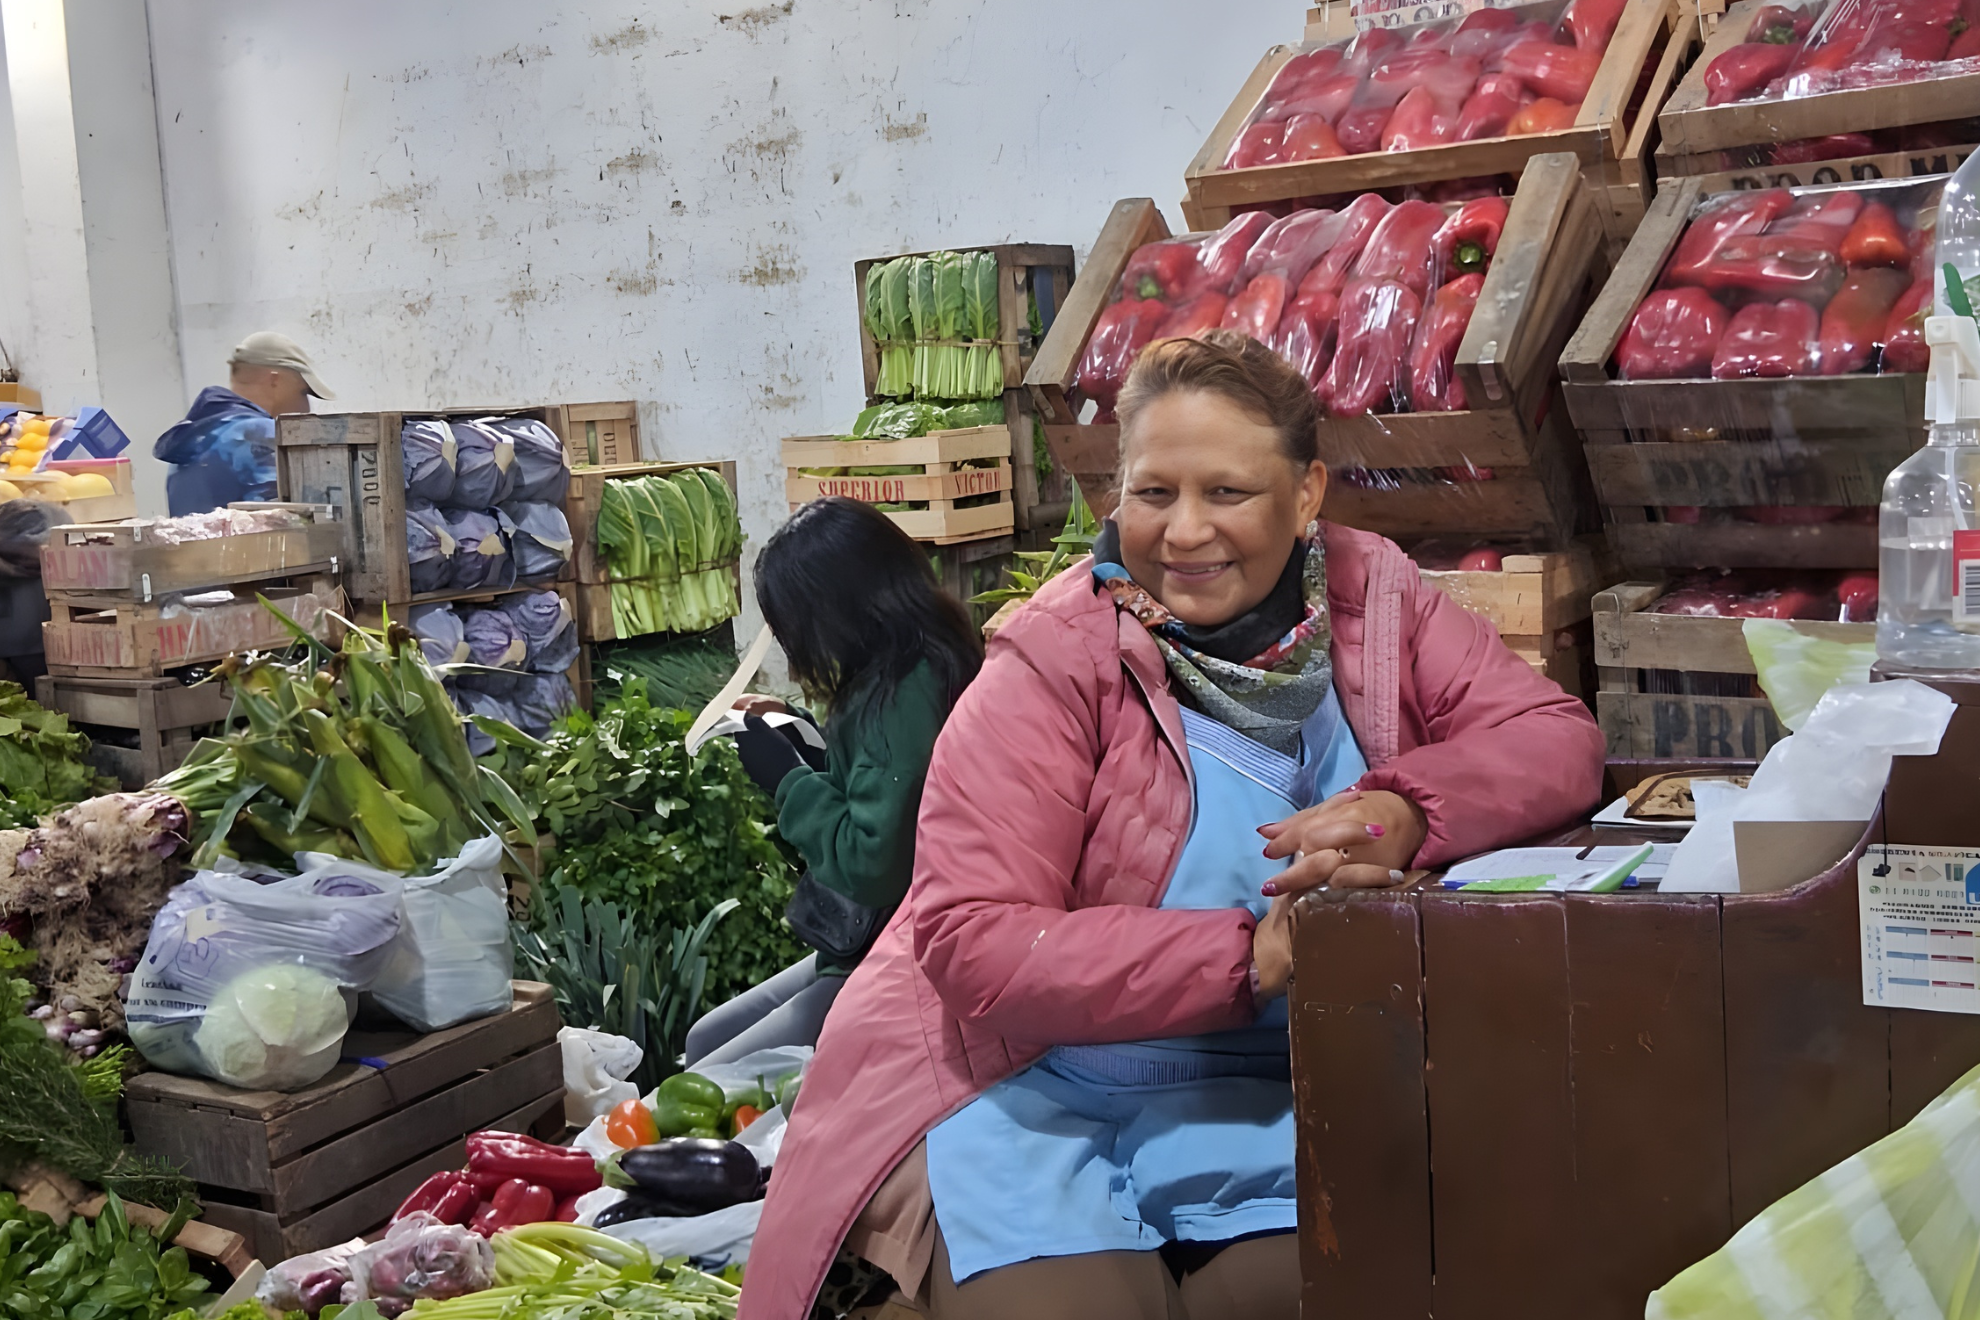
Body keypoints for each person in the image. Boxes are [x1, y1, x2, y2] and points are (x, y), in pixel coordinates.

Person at [741, 331, 1606, 1320]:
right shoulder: (1054, 657)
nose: (1185, 532)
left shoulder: (1375, 604)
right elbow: (970, 936)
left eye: (1227, 493)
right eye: (1154, 494)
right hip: (1045, 1081)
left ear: (1308, 493)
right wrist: (1251, 958)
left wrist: (1405, 809)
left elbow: (1551, 738)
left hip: (1289, 1078)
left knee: (1333, 1281)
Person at [682, 497, 983, 1070]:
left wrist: (789, 782)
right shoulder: (913, 662)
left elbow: (873, 863)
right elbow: (886, 793)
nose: (797, 661)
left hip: (898, 953)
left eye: (798, 633)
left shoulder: (903, 695)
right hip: (881, 936)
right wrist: (808, 746)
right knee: (703, 1040)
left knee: (712, 1072)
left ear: (840, 613)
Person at [154, 331, 335, 515]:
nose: (307, 407)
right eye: (303, 392)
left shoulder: (192, 439)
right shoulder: (260, 433)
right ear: (275, 380)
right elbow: (284, 524)